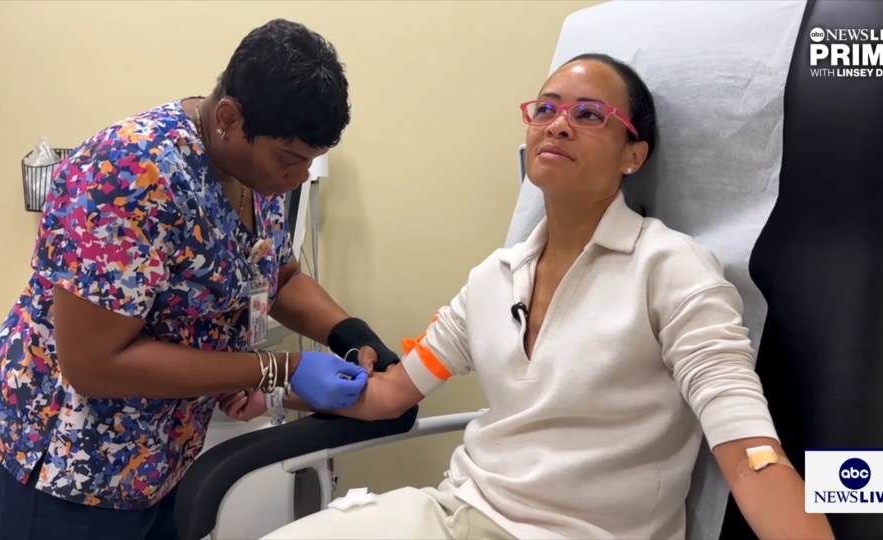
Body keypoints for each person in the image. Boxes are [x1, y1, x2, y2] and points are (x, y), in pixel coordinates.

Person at [225, 53, 839, 540]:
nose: (559, 122)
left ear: (634, 156)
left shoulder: (673, 272)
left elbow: (750, 456)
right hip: (454, 513)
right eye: (545, 108)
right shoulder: (492, 279)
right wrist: (282, 387)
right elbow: (390, 393)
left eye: (591, 114)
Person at [0, 19, 400, 540]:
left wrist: (349, 332)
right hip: (72, 465)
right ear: (229, 117)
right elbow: (93, 363)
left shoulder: (256, 172)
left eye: (312, 163)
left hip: (164, 457)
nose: (298, 178)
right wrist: (278, 369)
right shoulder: (131, 172)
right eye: (290, 160)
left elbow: (276, 273)